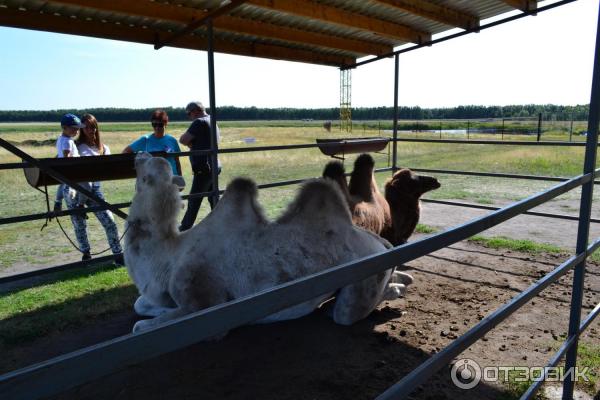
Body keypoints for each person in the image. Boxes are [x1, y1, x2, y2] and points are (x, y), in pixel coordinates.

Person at [72, 113, 124, 264]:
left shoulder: (103, 148)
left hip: (95, 189)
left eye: (93, 126)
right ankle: (86, 254)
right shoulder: (75, 146)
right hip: (78, 190)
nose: (91, 130)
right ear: (81, 129)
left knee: (109, 222)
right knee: (79, 225)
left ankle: (117, 255)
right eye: (87, 127)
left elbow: (109, 168)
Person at [178, 101, 221, 231]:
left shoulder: (199, 122)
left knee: (194, 200)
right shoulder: (212, 121)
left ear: (195, 111)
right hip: (214, 165)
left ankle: (184, 229)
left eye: (188, 114)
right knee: (213, 199)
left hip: (204, 167)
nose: (189, 117)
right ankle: (222, 225)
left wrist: (191, 144)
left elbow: (183, 140)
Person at [122, 109, 181, 175]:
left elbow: (177, 161)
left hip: (172, 180)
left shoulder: (172, 140)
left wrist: (180, 178)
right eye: (154, 124)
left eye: (160, 124)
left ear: (165, 124)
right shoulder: (145, 140)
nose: (157, 127)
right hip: (153, 181)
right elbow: (125, 151)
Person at [53, 113, 81, 212]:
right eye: (74, 128)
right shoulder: (68, 141)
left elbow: (59, 154)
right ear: (64, 127)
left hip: (62, 168)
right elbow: (66, 155)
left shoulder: (60, 139)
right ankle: (78, 206)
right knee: (78, 187)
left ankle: (58, 201)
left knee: (62, 185)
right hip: (71, 169)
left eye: (78, 129)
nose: (77, 131)